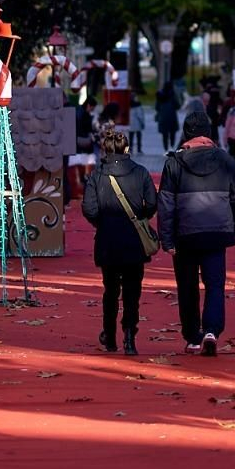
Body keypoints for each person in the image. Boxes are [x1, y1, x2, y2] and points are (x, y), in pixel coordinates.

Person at [157, 112, 235, 356]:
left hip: (184, 234)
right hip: (217, 230)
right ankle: (211, 330)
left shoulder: (174, 163)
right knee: (215, 283)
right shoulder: (226, 160)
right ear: (209, 132)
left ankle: (192, 336)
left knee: (187, 286)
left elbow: (166, 204)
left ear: (186, 133)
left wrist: (166, 238)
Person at [81, 125, 157, 355]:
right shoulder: (140, 173)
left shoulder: (97, 175)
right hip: (134, 240)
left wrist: (101, 223)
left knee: (110, 290)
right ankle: (129, 336)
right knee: (133, 291)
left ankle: (110, 334)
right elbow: (152, 204)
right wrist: (140, 218)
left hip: (108, 239)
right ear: (126, 149)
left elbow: (89, 208)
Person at [156, 82, 180, 151]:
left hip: (163, 117)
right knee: (172, 133)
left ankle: (165, 149)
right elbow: (178, 106)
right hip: (172, 117)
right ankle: (172, 147)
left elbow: (157, 107)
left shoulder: (160, 95)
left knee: (164, 134)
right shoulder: (172, 95)